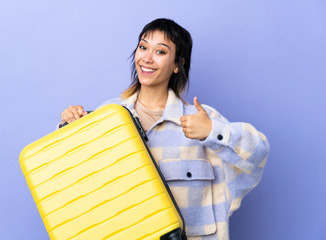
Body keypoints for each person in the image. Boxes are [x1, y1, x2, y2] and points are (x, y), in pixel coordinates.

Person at [59, 18, 270, 240]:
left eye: (160, 52)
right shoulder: (108, 116)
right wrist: (69, 126)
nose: (147, 58)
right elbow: (75, 182)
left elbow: (257, 155)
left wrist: (212, 132)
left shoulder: (201, 119)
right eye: (143, 47)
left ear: (178, 64)